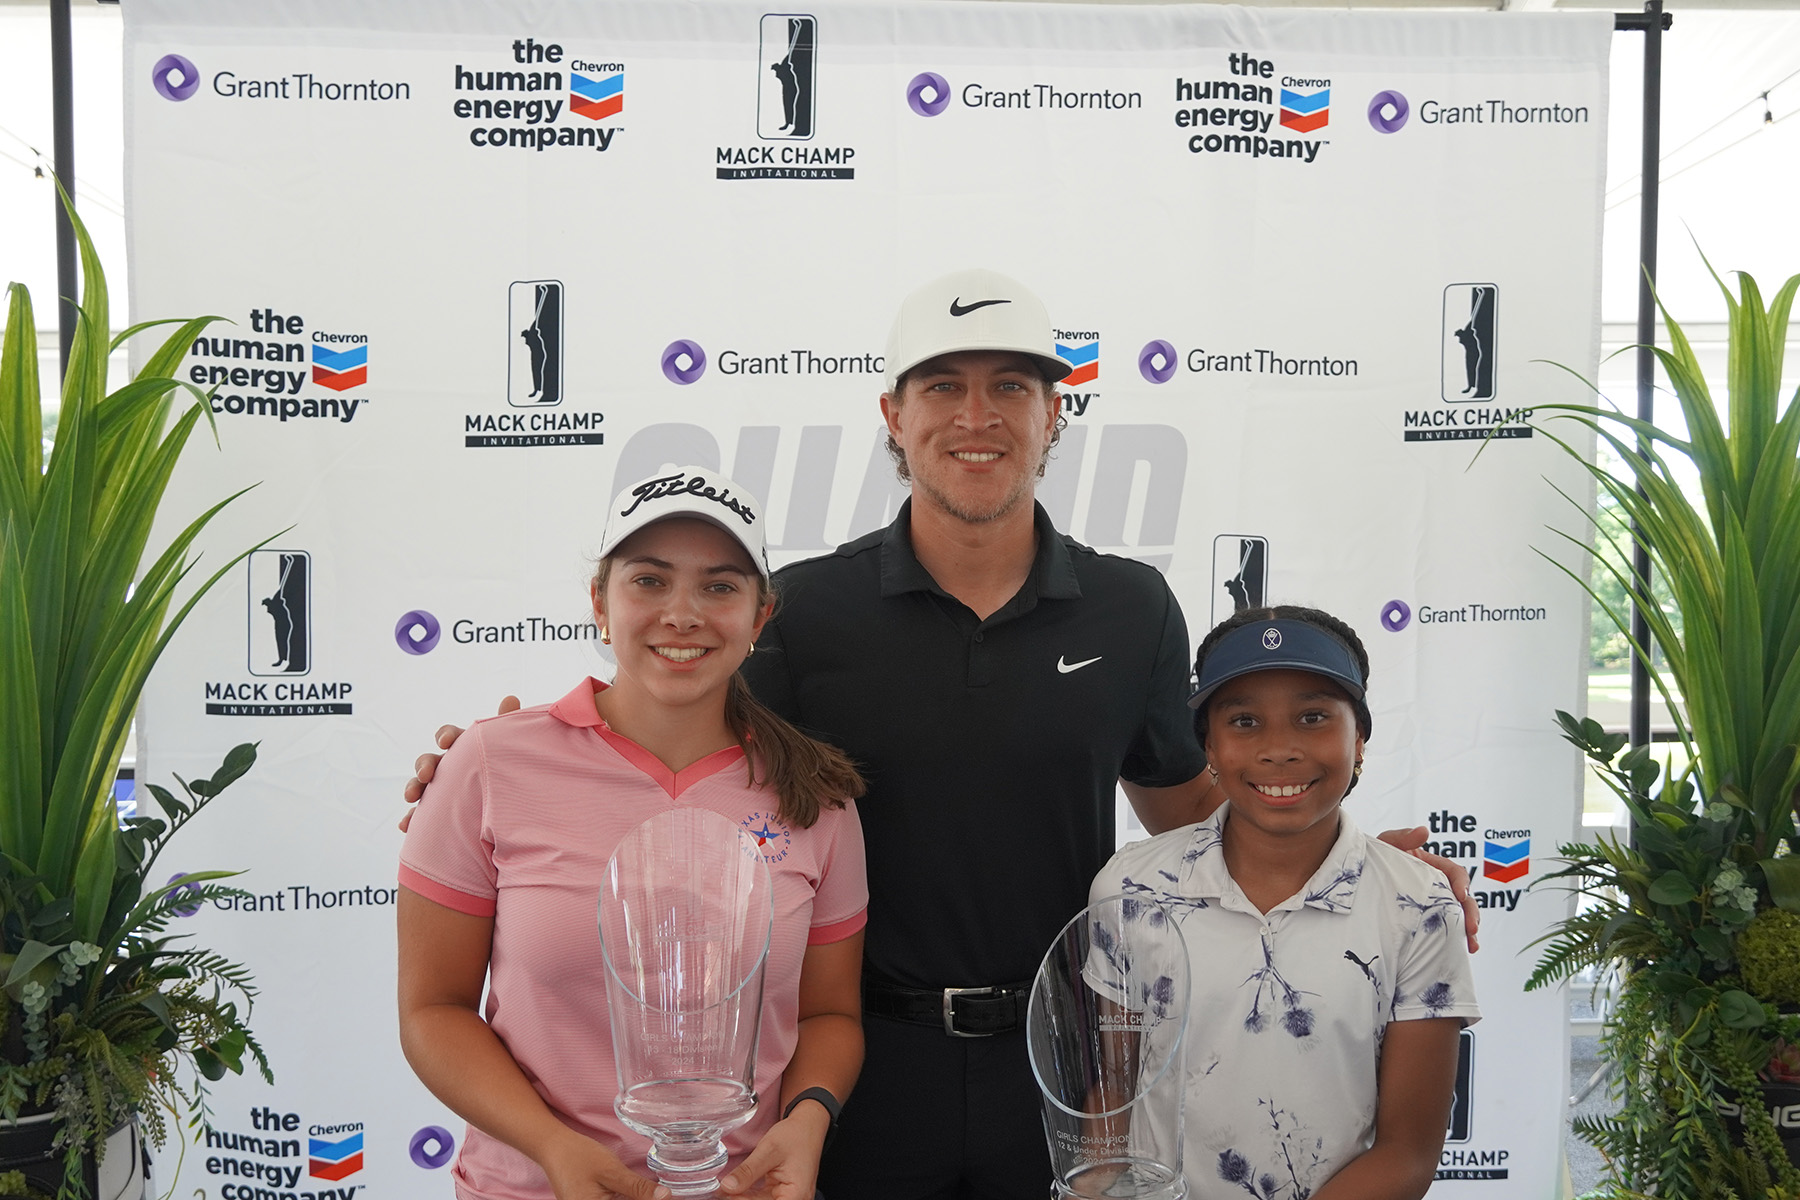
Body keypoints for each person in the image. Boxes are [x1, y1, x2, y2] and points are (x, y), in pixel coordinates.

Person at [405, 270, 1479, 1200]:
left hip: (1067, 1059)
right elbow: (675, 730)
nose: (980, 414)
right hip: (858, 1071)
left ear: (1058, 414)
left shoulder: (1133, 608)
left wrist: (1343, 862)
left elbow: (1196, 814)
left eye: (1013, 385)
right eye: (943, 386)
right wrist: (490, 758)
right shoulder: (809, 612)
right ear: (893, 413)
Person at [397, 468, 868, 1200]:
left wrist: (807, 1120)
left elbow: (829, 1015)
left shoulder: (817, 794)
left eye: (719, 586)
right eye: (649, 581)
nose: (682, 614)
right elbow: (433, 1011)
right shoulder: (487, 764)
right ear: (599, 602)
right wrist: (553, 1148)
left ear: (761, 616)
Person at [1091, 605, 1478, 1200]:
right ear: (1209, 749)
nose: (1280, 749)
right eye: (1244, 721)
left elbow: (1409, 1154)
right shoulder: (1131, 888)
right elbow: (1112, 1094)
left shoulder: (1417, 905)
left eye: (1313, 717)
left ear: (1361, 739)